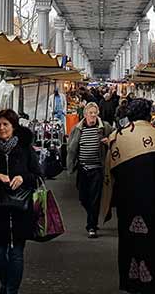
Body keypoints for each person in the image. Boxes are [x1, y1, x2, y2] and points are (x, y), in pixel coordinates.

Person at [100, 99, 155, 293]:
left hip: (130, 204)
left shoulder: (120, 137)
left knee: (132, 242)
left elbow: (112, 172)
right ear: (149, 115)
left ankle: (134, 281)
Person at [0, 110, 40, 294]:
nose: (2, 128)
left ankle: (11, 290)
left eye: (6, 124)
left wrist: (22, 177)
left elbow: (37, 176)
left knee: (16, 255)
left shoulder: (25, 149)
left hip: (20, 211)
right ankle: (6, 284)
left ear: (14, 127)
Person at [65, 101, 113, 238]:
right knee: (83, 198)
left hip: (97, 169)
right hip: (83, 169)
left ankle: (91, 226)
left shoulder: (105, 127)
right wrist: (70, 166)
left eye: (95, 113)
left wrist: (109, 141)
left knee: (94, 198)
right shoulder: (77, 129)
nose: (92, 115)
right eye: (90, 113)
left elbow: (117, 137)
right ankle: (92, 215)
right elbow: (71, 148)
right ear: (85, 115)